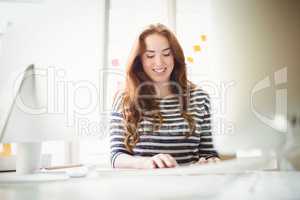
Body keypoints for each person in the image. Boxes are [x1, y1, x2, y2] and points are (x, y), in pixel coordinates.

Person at [109, 23, 219, 169]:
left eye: (166, 54)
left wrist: (211, 161)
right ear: (139, 60)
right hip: (141, 188)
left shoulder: (200, 97)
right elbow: (116, 156)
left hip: (190, 186)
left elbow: (209, 152)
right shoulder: (125, 98)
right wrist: (145, 162)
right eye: (150, 55)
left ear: (175, 57)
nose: (159, 62)